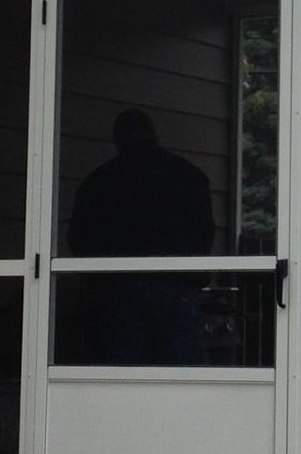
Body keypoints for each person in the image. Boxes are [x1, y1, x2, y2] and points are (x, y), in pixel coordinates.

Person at [68, 109, 215, 363]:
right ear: (153, 134)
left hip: (119, 292)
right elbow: (205, 232)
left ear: (118, 139)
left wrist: (99, 279)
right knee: (182, 374)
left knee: (125, 373)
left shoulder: (99, 183)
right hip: (177, 288)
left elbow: (79, 238)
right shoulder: (189, 177)